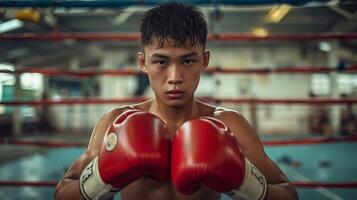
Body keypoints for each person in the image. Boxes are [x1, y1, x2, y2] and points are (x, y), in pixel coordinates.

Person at [54, 2, 298, 200]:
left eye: (187, 61)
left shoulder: (228, 125)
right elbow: (63, 194)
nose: (174, 78)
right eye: (161, 61)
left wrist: (243, 181)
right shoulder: (116, 122)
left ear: (204, 60)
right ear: (143, 63)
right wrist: (102, 179)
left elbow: (287, 194)